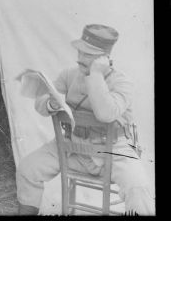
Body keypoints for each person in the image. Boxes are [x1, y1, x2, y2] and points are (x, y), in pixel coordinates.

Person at [16, 24, 155, 216]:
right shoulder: (69, 74)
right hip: (73, 148)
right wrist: (51, 104)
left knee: (139, 189)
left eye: (88, 54)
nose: (80, 58)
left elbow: (106, 114)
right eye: (80, 52)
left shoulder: (122, 82)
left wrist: (96, 74)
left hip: (115, 151)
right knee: (28, 168)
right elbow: (41, 102)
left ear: (104, 59)